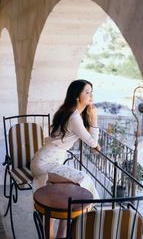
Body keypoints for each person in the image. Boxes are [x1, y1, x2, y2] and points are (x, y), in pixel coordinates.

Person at [30, 79, 101, 238]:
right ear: (77, 96)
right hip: (45, 163)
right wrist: (94, 120)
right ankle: (64, 231)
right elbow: (92, 142)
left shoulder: (72, 113)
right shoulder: (74, 117)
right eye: (87, 92)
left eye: (91, 92)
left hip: (47, 160)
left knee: (70, 191)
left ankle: (61, 233)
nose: (91, 96)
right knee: (82, 178)